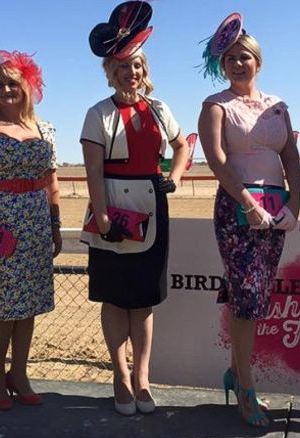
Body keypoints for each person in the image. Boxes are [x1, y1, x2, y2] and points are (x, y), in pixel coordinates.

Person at [80, 1, 189, 416]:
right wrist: (103, 213)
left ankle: (142, 377)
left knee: (143, 299)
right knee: (114, 297)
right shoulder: (98, 114)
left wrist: (175, 177)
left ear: (145, 70)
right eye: (123, 66)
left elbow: (182, 147)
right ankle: (119, 374)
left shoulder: (161, 110)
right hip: (112, 207)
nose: (132, 73)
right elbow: (93, 169)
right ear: (110, 71)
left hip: (152, 206)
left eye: (138, 66)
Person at [197, 13, 300, 427]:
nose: (238, 64)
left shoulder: (278, 106)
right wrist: (246, 202)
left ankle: (234, 370)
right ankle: (246, 388)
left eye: (245, 58)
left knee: (256, 297)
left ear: (258, 62)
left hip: (276, 211)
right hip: (237, 212)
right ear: (222, 65)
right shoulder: (215, 106)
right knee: (245, 298)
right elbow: (217, 161)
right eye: (231, 59)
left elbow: (290, 155)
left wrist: (294, 201)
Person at [0, 50, 61, 411]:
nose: (6, 89)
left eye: (12, 83)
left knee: (28, 304)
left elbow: (52, 182)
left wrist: (55, 225)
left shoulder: (45, 129)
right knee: (3, 307)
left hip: (36, 225)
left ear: (27, 87)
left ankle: (19, 374)